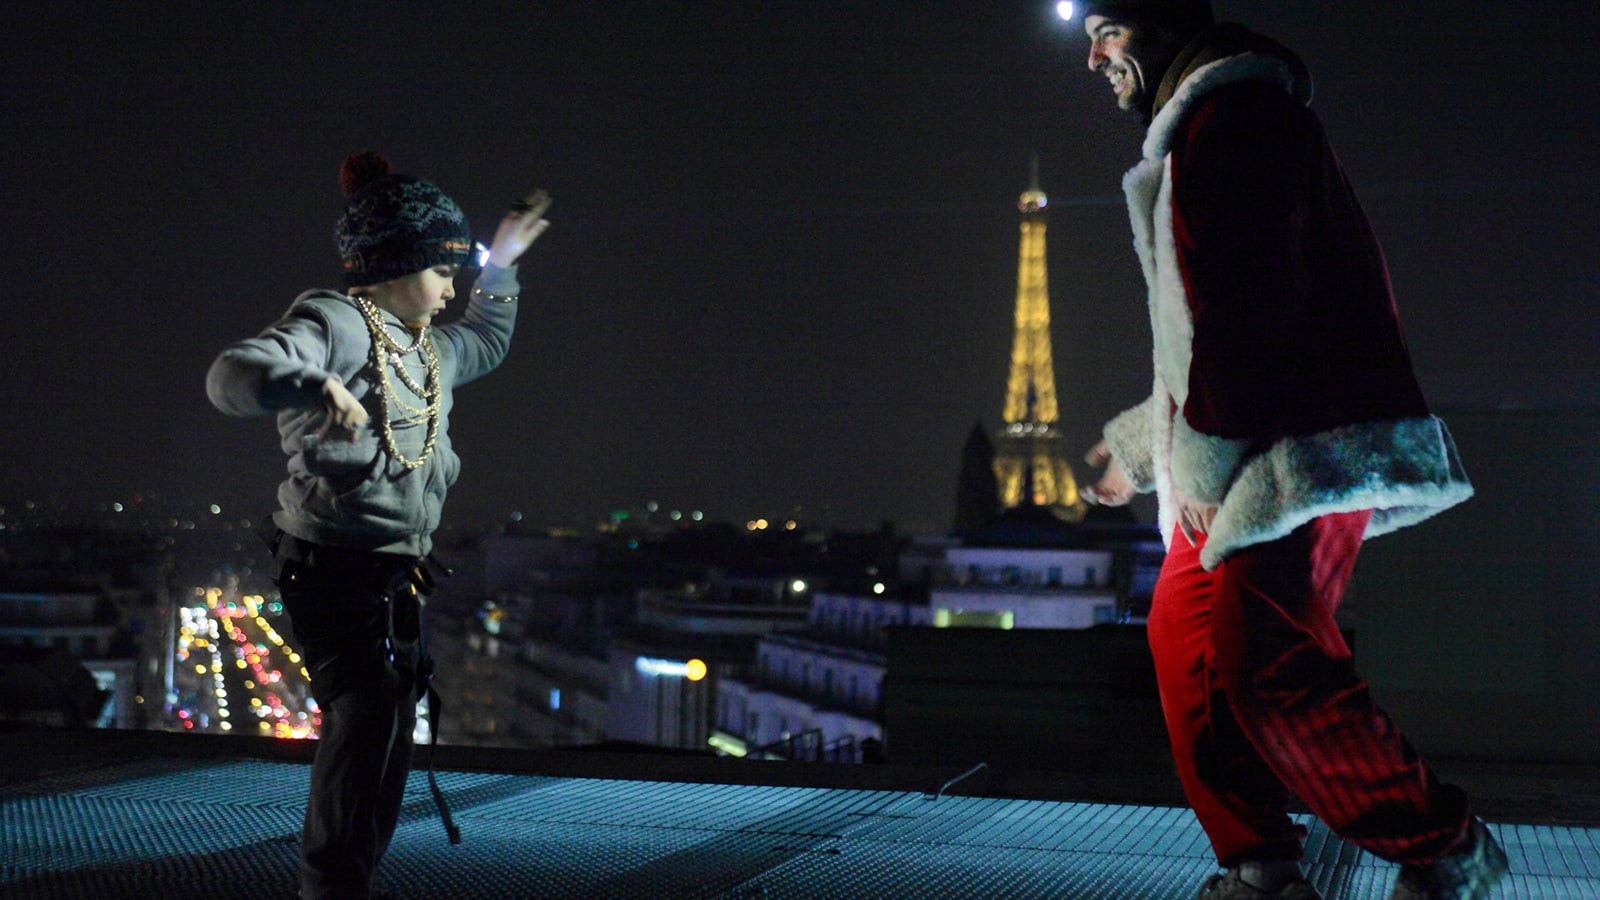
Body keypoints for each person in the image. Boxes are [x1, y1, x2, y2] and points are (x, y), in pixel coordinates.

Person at [1067, 3, 1508, 899]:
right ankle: (1259, 866)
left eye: (1107, 30)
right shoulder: (1208, 128)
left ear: (1161, 23)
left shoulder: (1239, 123)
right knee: (1185, 641)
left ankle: (1444, 848)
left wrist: (1199, 457)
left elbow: (1249, 309)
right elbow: (1206, 332)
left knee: (1266, 659)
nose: (1094, 58)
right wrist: (1142, 448)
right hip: (1251, 442)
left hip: (1304, 451)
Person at [206, 151, 550, 899]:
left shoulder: (429, 348)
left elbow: (487, 338)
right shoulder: (332, 321)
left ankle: (352, 876)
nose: (451, 289)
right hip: (330, 564)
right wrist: (311, 381)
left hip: (396, 569)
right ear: (395, 264)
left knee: (390, 724)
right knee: (365, 716)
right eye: (442, 271)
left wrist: (503, 265)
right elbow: (230, 376)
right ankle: (329, 884)